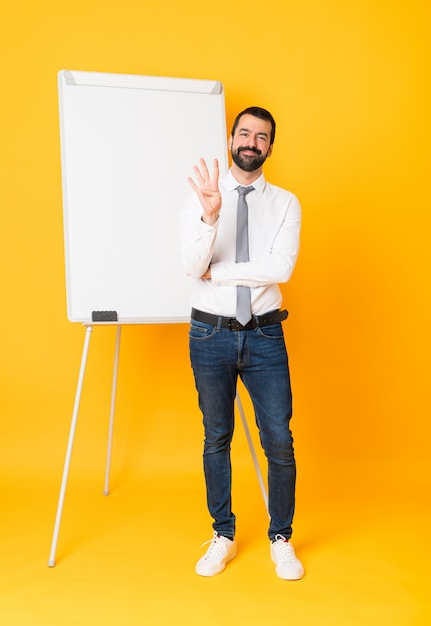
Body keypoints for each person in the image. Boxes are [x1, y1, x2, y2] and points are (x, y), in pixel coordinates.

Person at [180, 106, 303, 580]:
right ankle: (223, 535)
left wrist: (223, 272)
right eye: (245, 133)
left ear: (270, 147)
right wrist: (211, 219)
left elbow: (281, 269)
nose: (252, 142)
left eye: (262, 136)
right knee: (216, 437)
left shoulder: (287, 203)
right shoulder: (199, 197)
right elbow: (193, 266)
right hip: (209, 332)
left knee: (280, 440)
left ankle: (282, 538)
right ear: (232, 138)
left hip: (265, 333)